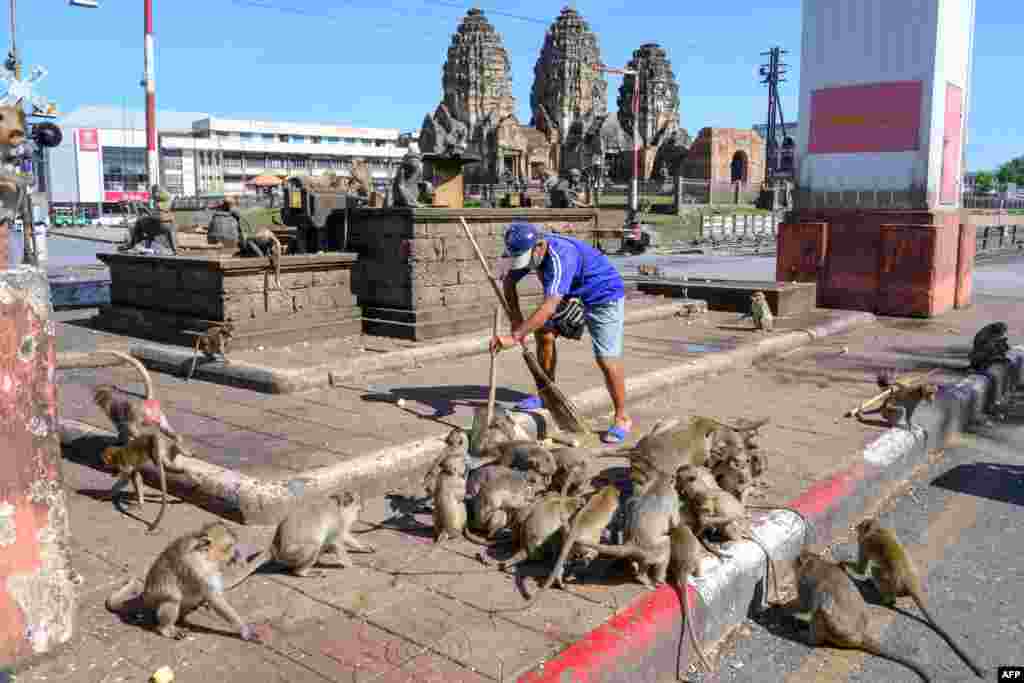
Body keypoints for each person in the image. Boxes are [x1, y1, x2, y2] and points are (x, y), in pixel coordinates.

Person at [491, 222, 632, 443]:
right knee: (544, 335)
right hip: (571, 293)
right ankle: (547, 394)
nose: (524, 264)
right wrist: (516, 319)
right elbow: (508, 281)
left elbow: (548, 307)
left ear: (539, 246)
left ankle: (622, 417)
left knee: (606, 358)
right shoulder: (521, 248)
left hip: (603, 296)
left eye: (527, 260)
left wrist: (516, 336)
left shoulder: (560, 257)